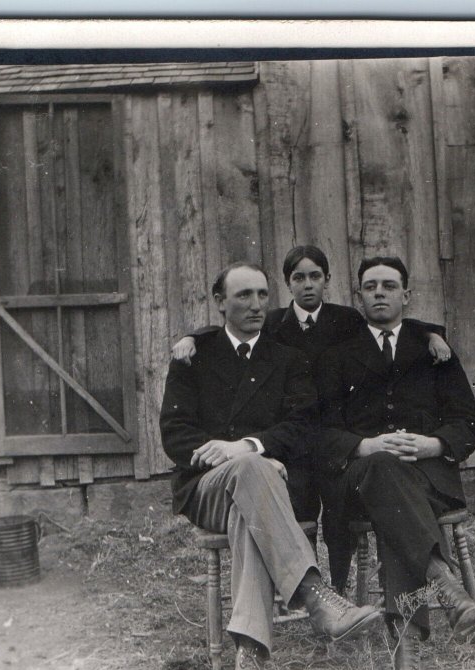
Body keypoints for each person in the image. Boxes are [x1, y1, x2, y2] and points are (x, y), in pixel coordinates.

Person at [160, 261, 381, 670]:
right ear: (220, 302)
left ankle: (250, 659)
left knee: (252, 484)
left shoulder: (288, 359)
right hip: (207, 487)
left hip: (263, 493)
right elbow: (175, 433)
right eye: (243, 296)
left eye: (262, 294)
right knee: (249, 470)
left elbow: (302, 425)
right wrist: (229, 456)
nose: (256, 304)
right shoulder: (193, 356)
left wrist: (248, 448)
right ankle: (314, 594)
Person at [170, 245, 451, 593]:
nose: (307, 285)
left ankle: (337, 586)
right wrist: (190, 336)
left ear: (327, 280)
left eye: (315, 276)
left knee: (338, 509)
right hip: (296, 435)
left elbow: (390, 320)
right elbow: (227, 331)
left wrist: (432, 333)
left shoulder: (346, 319)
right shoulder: (272, 321)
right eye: (298, 278)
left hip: (334, 429)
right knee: (302, 506)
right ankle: (309, 584)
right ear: (288, 284)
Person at [316, 256, 475, 670]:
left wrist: (431, 444)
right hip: (361, 474)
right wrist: (365, 446)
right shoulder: (337, 355)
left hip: (427, 475)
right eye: (370, 286)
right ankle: (442, 582)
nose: (379, 293)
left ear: (406, 295)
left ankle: (407, 654)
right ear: (358, 296)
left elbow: (468, 422)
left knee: (393, 508)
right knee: (384, 474)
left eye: (389, 286)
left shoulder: (435, 352)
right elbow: (320, 430)